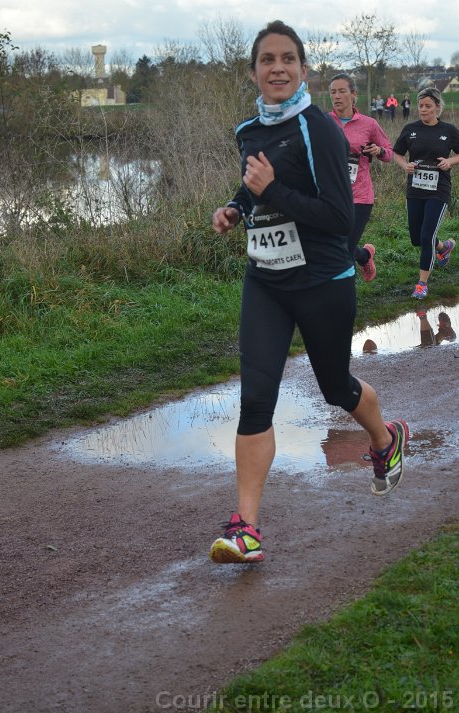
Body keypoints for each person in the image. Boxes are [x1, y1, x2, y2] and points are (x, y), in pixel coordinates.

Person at [209, 20, 410, 564]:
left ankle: (385, 438)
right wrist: (236, 208)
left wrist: (272, 190)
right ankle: (246, 530)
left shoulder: (318, 128)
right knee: (256, 398)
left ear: (303, 69)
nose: (277, 67)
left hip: (322, 281)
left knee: (335, 387)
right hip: (266, 281)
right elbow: (252, 186)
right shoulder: (249, 130)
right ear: (254, 71)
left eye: (287, 59)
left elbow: (339, 218)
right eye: (267, 59)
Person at [393, 87, 459, 299]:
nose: (423, 109)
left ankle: (422, 284)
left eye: (428, 106)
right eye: (420, 106)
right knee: (416, 238)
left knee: (427, 235)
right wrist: (405, 166)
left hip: (439, 190)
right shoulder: (410, 129)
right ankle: (444, 247)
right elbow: (397, 153)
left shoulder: (449, 130)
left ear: (437, 107)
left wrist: (449, 161)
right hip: (415, 189)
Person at [329, 73, 393, 281]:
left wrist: (379, 151)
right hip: (331, 195)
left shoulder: (369, 124)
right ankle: (365, 255)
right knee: (333, 245)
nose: (337, 96)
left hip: (360, 195)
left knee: (344, 248)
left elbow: (389, 153)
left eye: (342, 91)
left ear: (353, 94)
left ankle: (343, 294)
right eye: (333, 92)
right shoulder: (323, 123)